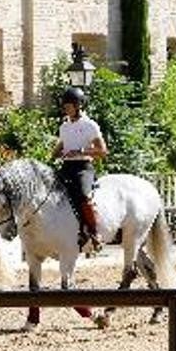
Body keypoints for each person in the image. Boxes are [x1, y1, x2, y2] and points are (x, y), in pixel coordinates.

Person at [54, 86, 108, 253]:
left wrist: (81, 151)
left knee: (84, 196)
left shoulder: (89, 125)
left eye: (68, 106)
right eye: (64, 106)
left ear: (78, 106)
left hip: (83, 167)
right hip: (66, 166)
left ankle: (94, 232)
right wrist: (55, 154)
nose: (65, 109)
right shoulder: (64, 127)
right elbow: (60, 147)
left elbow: (103, 151)